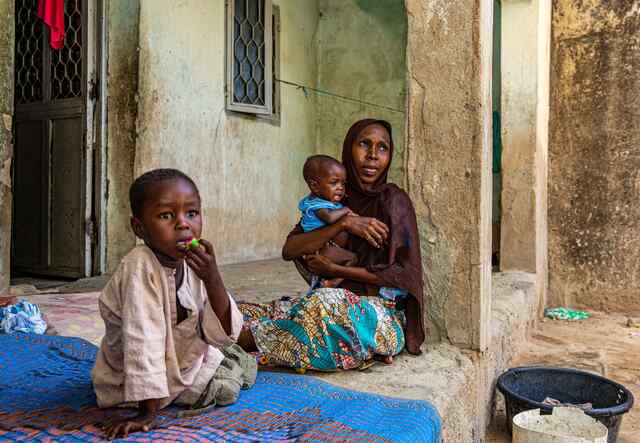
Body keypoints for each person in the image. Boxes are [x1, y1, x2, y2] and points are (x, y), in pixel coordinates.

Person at [238, 119, 425, 371]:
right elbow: (290, 249)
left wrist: (334, 270)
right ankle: (259, 336)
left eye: (383, 148)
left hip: (379, 317)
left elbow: (403, 275)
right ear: (349, 148)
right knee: (241, 310)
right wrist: (344, 224)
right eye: (364, 144)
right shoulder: (332, 199)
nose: (372, 155)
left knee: (321, 306)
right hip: (327, 305)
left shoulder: (395, 202)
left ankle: (244, 340)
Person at [92, 169, 254, 440]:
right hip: (132, 381)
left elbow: (221, 332)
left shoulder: (191, 261)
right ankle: (152, 399)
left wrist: (212, 278)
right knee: (226, 384)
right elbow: (142, 337)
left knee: (231, 359)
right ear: (139, 228)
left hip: (178, 365)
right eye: (166, 216)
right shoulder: (139, 265)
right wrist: (146, 414)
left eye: (191, 213)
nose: (183, 224)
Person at [298, 154, 357, 289]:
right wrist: (346, 210)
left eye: (343, 183)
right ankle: (334, 282)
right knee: (354, 259)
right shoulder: (317, 206)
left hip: (327, 247)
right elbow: (329, 218)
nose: (340, 187)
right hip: (323, 248)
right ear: (315, 186)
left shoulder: (325, 201)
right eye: (334, 182)